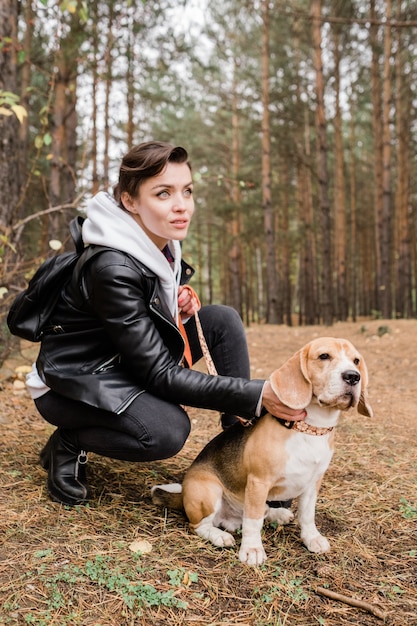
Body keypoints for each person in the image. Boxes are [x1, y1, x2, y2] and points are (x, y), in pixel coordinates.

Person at [27, 141, 305, 506]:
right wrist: (257, 394)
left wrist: (174, 307)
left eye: (187, 191)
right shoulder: (112, 266)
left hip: (122, 364)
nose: (182, 205)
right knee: (165, 432)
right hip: (73, 384)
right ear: (130, 201)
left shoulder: (158, 243)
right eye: (163, 193)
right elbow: (159, 375)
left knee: (220, 320)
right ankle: (69, 441)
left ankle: (243, 449)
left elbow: (136, 320)